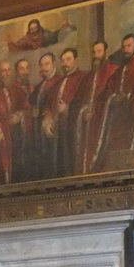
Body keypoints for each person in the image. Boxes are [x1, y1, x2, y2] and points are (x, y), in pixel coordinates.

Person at [97, 34, 134, 163]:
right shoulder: (120, 70)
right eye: (123, 47)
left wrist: (128, 98)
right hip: (118, 121)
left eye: (128, 46)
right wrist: (113, 98)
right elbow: (108, 89)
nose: (125, 49)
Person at [73, 41, 119, 174]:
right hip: (88, 126)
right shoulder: (88, 77)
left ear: (106, 53)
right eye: (94, 52)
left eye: (99, 51)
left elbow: (114, 98)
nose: (96, 55)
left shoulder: (114, 71)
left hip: (106, 124)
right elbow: (79, 100)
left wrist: (96, 111)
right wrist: (83, 111)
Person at [50, 48, 86, 177]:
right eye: (63, 60)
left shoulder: (84, 78)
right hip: (58, 131)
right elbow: (50, 104)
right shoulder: (59, 82)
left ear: (76, 60)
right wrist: (48, 119)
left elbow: (85, 101)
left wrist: (68, 108)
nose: (65, 63)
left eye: (68, 59)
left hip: (74, 128)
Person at [27, 53, 62, 181]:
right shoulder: (40, 86)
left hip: (52, 130)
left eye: (47, 64)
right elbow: (32, 103)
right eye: (41, 65)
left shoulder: (59, 82)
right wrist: (32, 111)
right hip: (38, 132)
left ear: (54, 64)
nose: (44, 68)